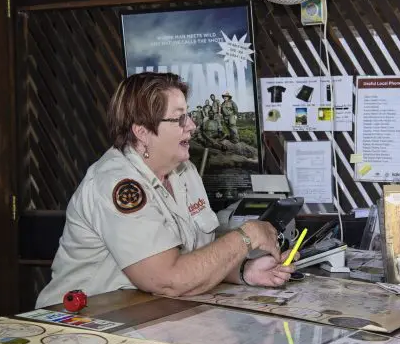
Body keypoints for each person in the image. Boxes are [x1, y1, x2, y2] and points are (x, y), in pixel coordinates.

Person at [35, 72, 295, 308]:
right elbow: (168, 279)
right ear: (143, 131)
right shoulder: (118, 184)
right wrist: (246, 236)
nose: (192, 125)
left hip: (143, 317)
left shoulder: (185, 172)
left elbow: (196, 259)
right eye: (179, 118)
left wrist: (244, 270)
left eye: (188, 115)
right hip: (83, 326)